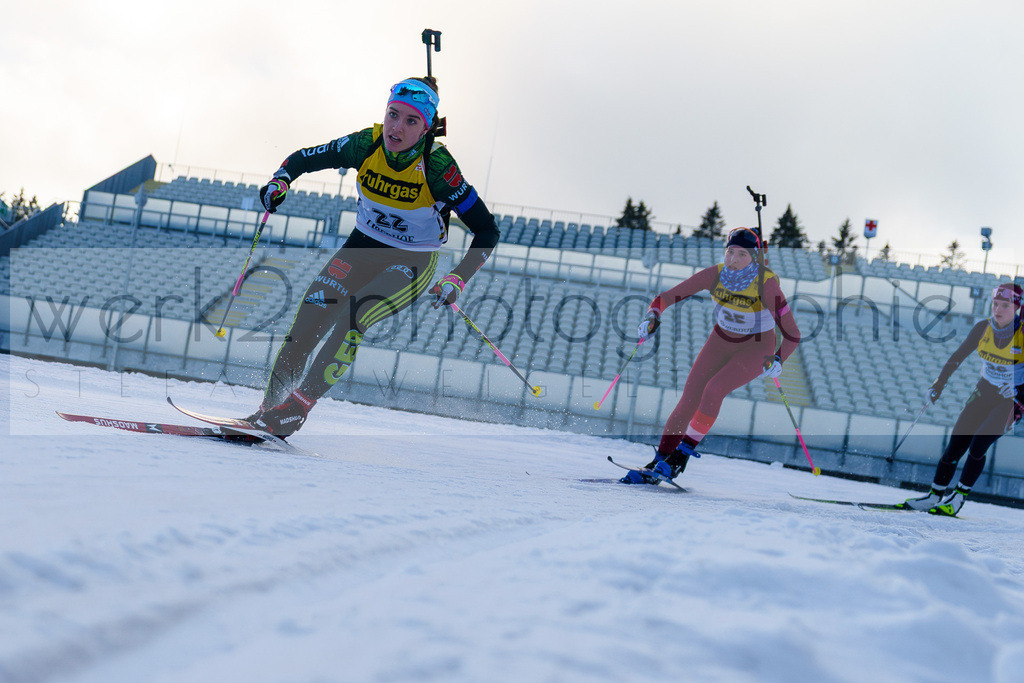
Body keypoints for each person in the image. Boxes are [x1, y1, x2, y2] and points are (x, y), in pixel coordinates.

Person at [244, 76, 500, 437]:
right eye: (393, 114)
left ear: (426, 128)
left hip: (411, 261)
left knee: (355, 314)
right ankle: (267, 412)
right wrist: (280, 180)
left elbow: (487, 230)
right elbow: (301, 159)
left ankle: (297, 408)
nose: (397, 127)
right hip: (360, 248)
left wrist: (458, 277)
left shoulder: (439, 166)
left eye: (411, 121)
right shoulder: (367, 143)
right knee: (307, 322)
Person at [621, 227, 802, 484]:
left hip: (757, 347)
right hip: (720, 341)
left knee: (714, 390)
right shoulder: (715, 275)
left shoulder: (767, 284)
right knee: (689, 399)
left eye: (742, 255)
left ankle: (679, 458)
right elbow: (667, 297)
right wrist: (653, 316)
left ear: (754, 258)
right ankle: (660, 459)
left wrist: (779, 358)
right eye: (730, 252)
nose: (733, 260)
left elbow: (793, 333)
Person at [902, 283, 1023, 516]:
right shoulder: (982, 328)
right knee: (955, 446)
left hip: (1012, 401)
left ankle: (957, 498)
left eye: (1005, 305)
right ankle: (934, 495)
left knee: (979, 443)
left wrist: (1018, 389)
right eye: (995, 304)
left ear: (1016, 308)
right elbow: (958, 356)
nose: (997, 310)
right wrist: (939, 384)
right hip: (984, 391)